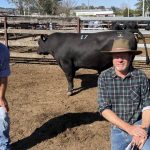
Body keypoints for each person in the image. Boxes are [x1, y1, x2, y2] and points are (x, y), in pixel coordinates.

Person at [97, 37, 150, 150]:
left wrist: (143, 130)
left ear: (130, 57)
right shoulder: (104, 77)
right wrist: (129, 128)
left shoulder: (141, 76)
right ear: (112, 58)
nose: (119, 59)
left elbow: (147, 106)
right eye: (116, 56)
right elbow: (104, 109)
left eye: (124, 55)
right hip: (118, 128)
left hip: (140, 124)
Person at [0, 43, 11, 150]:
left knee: (3, 118)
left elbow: (3, 77)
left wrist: (1, 97)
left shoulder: (2, 51)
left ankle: (4, 146)